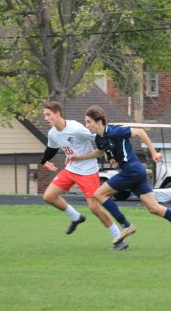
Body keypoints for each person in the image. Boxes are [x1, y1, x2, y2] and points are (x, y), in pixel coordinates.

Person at [67, 105, 171, 249]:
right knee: (154, 208)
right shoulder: (100, 139)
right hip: (135, 172)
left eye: (89, 122)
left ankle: (126, 225)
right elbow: (100, 152)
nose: (86, 125)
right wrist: (79, 157)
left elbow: (140, 132)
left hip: (132, 170)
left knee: (99, 194)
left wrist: (153, 153)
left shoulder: (114, 130)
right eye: (86, 122)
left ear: (99, 122)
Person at [39, 101, 128, 250]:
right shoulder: (52, 133)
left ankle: (119, 238)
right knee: (48, 196)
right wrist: (44, 161)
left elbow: (100, 137)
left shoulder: (76, 129)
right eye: (44, 115)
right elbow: (51, 148)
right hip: (71, 169)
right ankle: (76, 217)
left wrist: (111, 154)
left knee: (94, 208)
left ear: (58, 114)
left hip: (87, 171)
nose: (45, 118)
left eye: (48, 114)